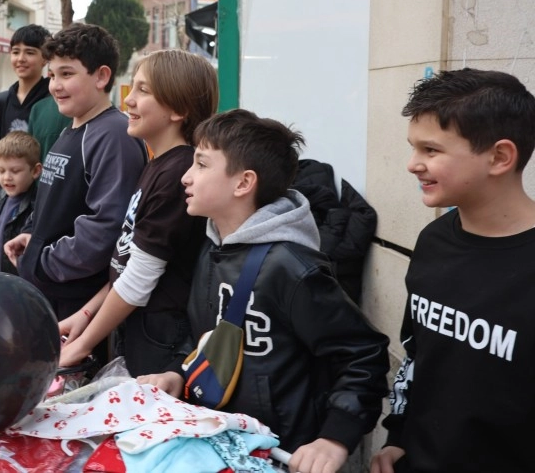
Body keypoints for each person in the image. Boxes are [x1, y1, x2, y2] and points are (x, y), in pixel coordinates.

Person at [139, 109, 389, 472]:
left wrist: (335, 438)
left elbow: (362, 353)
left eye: (201, 165)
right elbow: (210, 339)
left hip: (280, 455)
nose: (186, 177)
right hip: (224, 446)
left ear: (243, 183)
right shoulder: (212, 247)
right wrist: (177, 372)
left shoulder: (291, 268)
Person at [369, 69, 535, 473]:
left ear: (499, 157)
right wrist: (398, 437)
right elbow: (416, 355)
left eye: (431, 150)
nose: (412, 165)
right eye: (413, 148)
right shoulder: (433, 241)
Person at [57, 50, 217, 376]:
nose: (129, 99)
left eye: (143, 91)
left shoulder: (178, 173)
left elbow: (139, 279)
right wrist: (85, 316)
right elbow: (125, 262)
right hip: (136, 330)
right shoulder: (158, 163)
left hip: (160, 341)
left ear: (179, 109)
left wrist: (83, 344)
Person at [6, 23, 148, 323]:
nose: (55, 85)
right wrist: (31, 235)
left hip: (75, 299)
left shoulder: (114, 135)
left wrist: (44, 262)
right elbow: (54, 202)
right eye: (52, 75)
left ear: (101, 76)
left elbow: (107, 225)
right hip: (51, 289)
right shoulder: (71, 129)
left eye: (67, 74)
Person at [0, 24, 64, 206]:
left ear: (45, 59)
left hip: (42, 200)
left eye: (30, 52)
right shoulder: (2, 101)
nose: (21, 59)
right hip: (7, 200)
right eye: (16, 52)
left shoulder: (56, 100)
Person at [0, 131, 42, 274]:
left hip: (17, 285)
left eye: (15, 171)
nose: (7, 178)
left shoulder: (37, 206)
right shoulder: (2, 198)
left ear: (36, 171)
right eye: (0, 171)